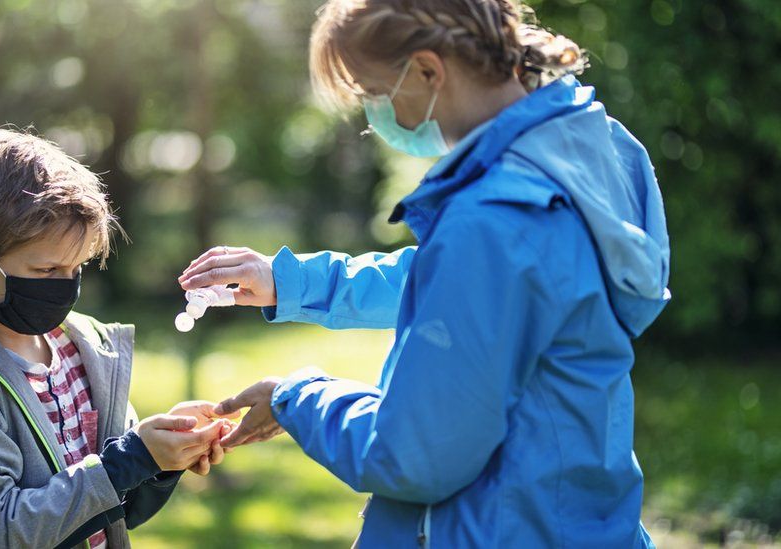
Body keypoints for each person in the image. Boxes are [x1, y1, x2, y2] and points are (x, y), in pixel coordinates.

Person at [178, 0, 670, 546]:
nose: (372, 113)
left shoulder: (492, 218)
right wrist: (292, 281)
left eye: (373, 91)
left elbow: (413, 455)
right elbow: (461, 285)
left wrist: (297, 397)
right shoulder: (584, 151)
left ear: (429, 70)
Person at [0, 128, 237, 548]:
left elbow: (115, 508)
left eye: (77, 268)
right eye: (48, 271)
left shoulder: (84, 349)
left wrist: (161, 459)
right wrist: (131, 460)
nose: (66, 286)